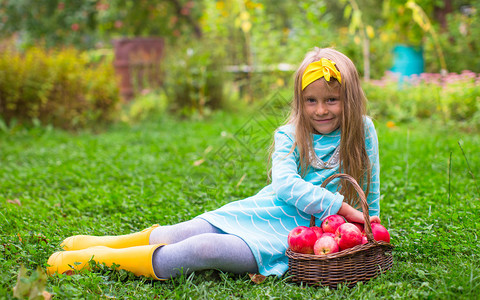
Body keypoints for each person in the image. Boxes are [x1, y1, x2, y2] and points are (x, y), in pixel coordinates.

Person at [47, 47, 381, 280]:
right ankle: (95, 248)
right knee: (185, 230)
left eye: (331, 100)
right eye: (311, 100)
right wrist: (341, 207)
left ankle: (97, 260)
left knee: (204, 248)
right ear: (300, 101)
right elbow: (284, 184)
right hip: (265, 210)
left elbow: (370, 185)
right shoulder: (290, 133)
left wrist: (371, 224)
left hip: (292, 235)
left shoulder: (363, 129)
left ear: (348, 99)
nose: (321, 110)